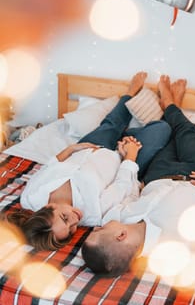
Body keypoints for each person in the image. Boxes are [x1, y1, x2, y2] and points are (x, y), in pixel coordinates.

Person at [2, 72, 171, 251]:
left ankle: (130, 93)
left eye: (65, 218)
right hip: (123, 160)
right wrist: (129, 154)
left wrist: (72, 149)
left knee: (111, 124)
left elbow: (51, 166)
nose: (76, 220)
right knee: (162, 129)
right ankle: (136, 132)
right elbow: (121, 185)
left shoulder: (30, 197)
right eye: (71, 230)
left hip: (91, 147)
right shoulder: (92, 215)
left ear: (49, 207)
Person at [81, 75, 195, 277]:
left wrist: (140, 186)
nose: (96, 228)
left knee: (169, 135)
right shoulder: (179, 243)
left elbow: (127, 194)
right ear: (121, 236)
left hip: (158, 173)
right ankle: (171, 103)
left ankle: (171, 104)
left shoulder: (119, 217)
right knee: (187, 132)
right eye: (98, 231)